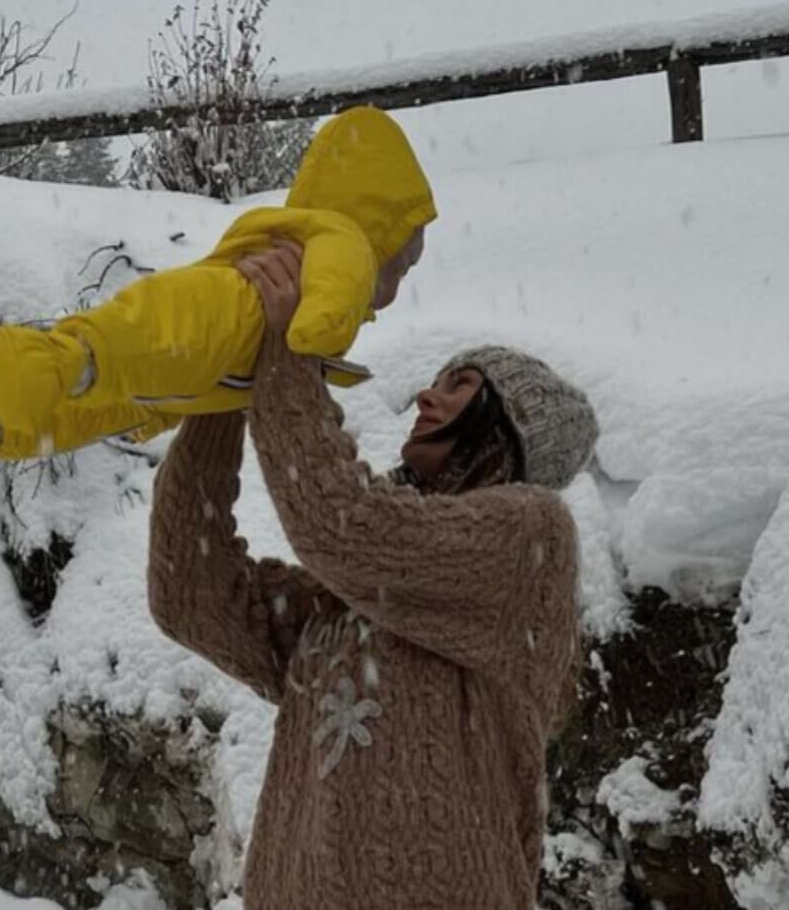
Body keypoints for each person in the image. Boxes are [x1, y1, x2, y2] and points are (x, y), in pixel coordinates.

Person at [146, 241, 599, 909]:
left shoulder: (531, 540)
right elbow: (191, 592)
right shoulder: (353, 598)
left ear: (512, 427)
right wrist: (223, 397)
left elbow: (346, 526)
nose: (427, 395)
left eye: (460, 386)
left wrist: (287, 352)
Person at [0, 105, 436, 484]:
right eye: (403, 266)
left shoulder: (326, 251)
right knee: (147, 333)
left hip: (193, 385)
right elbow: (335, 288)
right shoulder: (344, 240)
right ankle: (61, 356)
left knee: (96, 409)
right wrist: (315, 329)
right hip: (228, 313)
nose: (398, 286)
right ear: (379, 235)